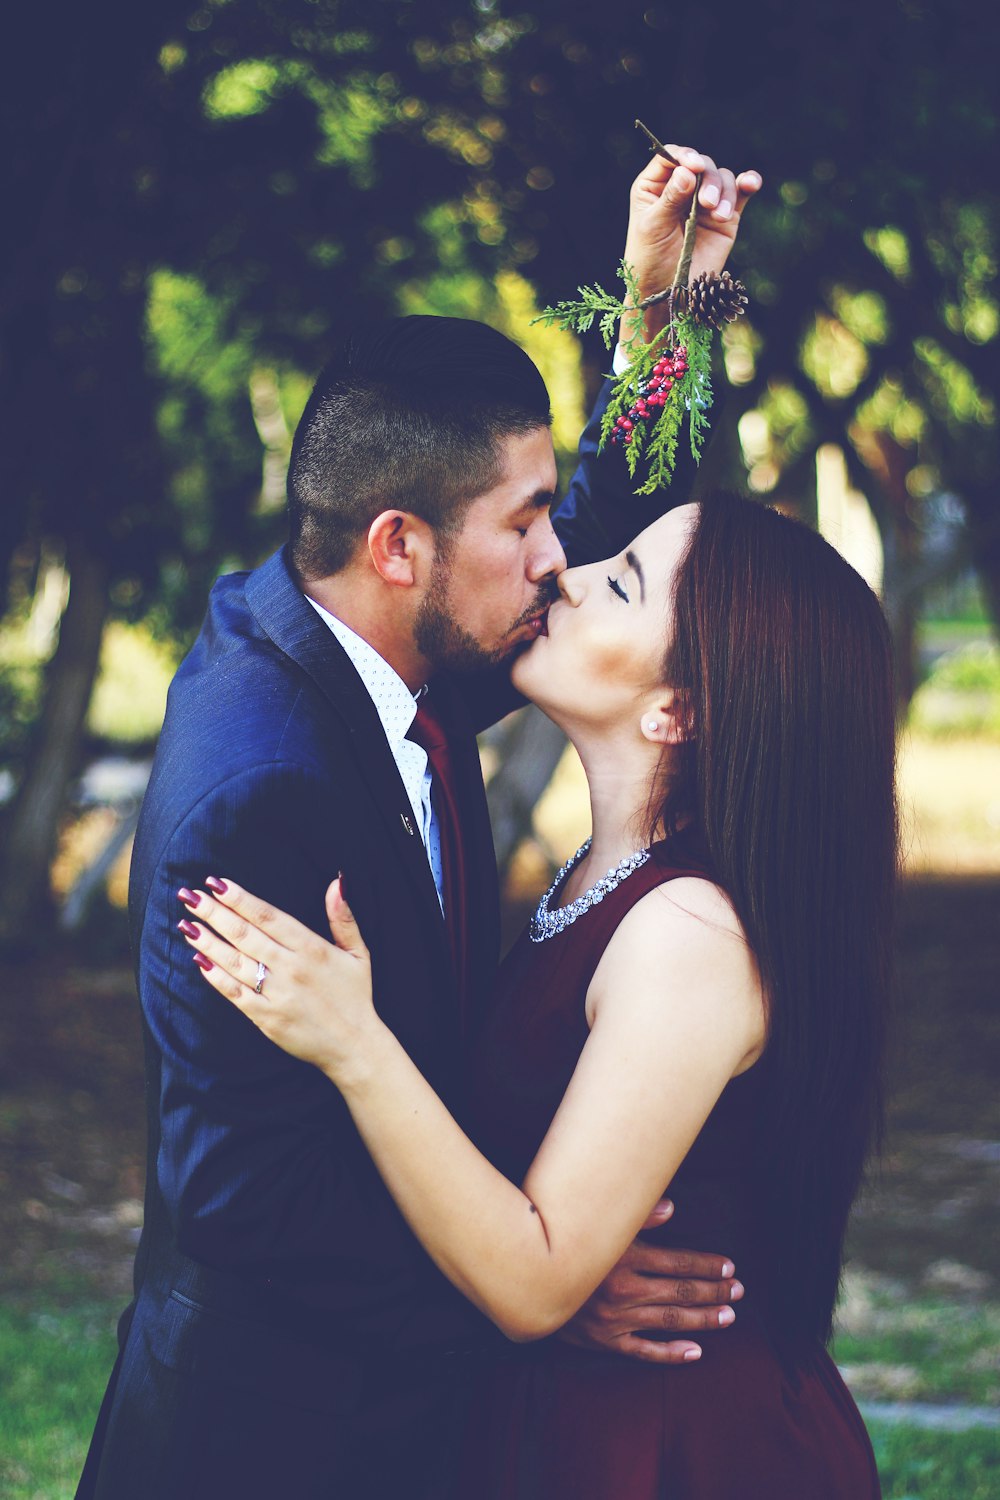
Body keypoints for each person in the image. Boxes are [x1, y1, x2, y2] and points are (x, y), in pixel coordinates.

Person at [76, 147, 763, 1500]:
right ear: (402, 545)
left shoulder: (377, 630)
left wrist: (663, 318)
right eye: (526, 522)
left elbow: (626, 561)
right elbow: (247, 1197)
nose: (558, 560)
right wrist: (539, 1281)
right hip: (281, 1442)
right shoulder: (266, 785)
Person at [182, 492, 896, 1498]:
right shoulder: (596, 878)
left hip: (677, 1449)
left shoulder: (690, 938)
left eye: (624, 581)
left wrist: (353, 1041)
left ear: (677, 709)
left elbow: (532, 1279)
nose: (570, 573)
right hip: (556, 1418)